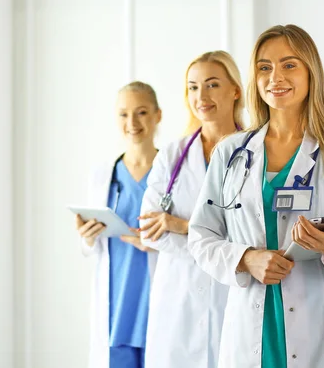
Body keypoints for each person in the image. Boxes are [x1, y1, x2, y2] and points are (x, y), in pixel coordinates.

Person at [188, 25, 324, 368]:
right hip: (254, 328)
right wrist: (245, 259)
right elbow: (200, 236)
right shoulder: (231, 152)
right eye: (264, 67)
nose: (275, 77)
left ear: (312, 72)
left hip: (322, 330)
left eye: (289, 65)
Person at [139, 51, 245, 368]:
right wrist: (216, 242)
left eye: (212, 85)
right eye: (193, 87)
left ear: (235, 90)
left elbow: (254, 231)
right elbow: (149, 230)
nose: (202, 96)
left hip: (234, 292)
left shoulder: (257, 150)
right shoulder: (172, 155)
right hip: (178, 295)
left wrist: (182, 226)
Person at [77, 81, 161, 368]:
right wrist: (87, 238)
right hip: (117, 307)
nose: (132, 123)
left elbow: (192, 239)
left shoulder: (173, 173)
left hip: (157, 301)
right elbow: (91, 247)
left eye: (141, 112)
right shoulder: (103, 175)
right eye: (123, 114)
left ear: (157, 115)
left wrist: (155, 242)